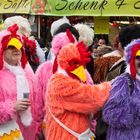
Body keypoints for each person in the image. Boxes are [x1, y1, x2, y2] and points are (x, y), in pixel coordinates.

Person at [45, 33, 111, 140]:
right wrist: (111, 86)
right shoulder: (59, 83)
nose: (79, 67)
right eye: (75, 63)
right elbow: (89, 97)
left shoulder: (74, 78)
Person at [0, 24, 36, 140]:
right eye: (11, 47)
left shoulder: (27, 73)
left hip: (26, 133)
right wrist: (12, 107)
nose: (16, 49)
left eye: (19, 46)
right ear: (2, 51)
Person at [103, 39, 140, 140]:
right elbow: (109, 114)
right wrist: (136, 113)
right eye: (138, 58)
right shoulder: (123, 82)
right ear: (131, 59)